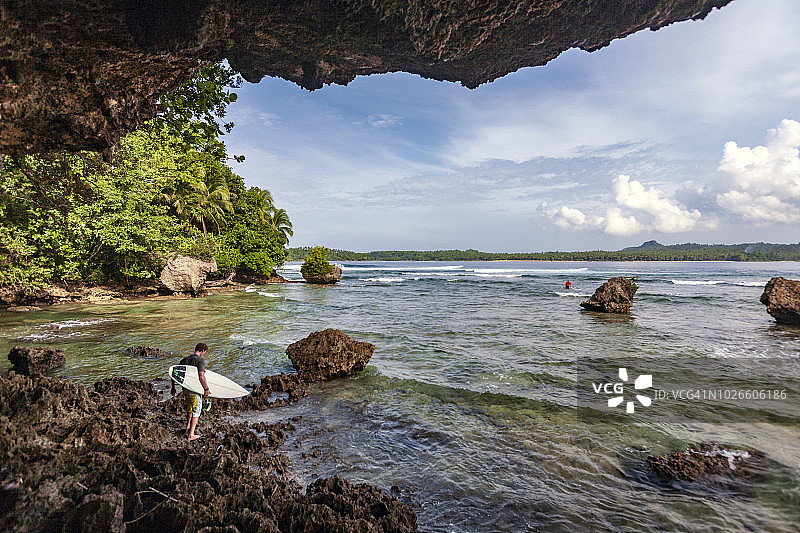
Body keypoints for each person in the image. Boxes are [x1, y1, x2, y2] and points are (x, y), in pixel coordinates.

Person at [170, 342, 211, 441]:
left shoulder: (184, 360)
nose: (203, 354)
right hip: (194, 390)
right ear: (202, 351)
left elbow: (174, 373)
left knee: (190, 408)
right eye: (204, 352)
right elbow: (201, 376)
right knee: (196, 411)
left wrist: (173, 387)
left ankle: (188, 426)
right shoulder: (200, 360)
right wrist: (206, 389)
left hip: (185, 390)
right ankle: (191, 435)